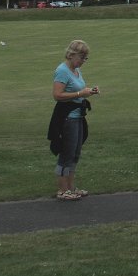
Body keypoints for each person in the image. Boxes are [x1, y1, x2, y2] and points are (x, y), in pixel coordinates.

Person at [49, 39, 100, 201]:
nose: (83, 62)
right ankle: (63, 190)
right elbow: (57, 95)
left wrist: (89, 92)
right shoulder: (62, 71)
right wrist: (80, 94)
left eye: (85, 59)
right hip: (67, 119)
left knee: (75, 153)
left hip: (78, 116)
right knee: (67, 153)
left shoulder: (76, 70)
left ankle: (71, 187)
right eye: (81, 58)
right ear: (71, 55)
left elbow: (78, 89)